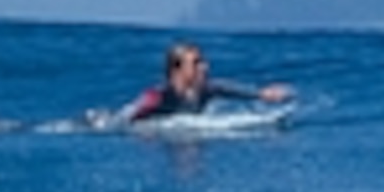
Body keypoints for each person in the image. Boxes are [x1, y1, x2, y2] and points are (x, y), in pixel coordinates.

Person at [121, 42, 291, 124]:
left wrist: (261, 94)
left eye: (202, 62)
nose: (205, 67)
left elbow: (229, 90)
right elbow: (129, 120)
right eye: (196, 63)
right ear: (176, 70)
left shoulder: (205, 91)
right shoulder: (159, 96)